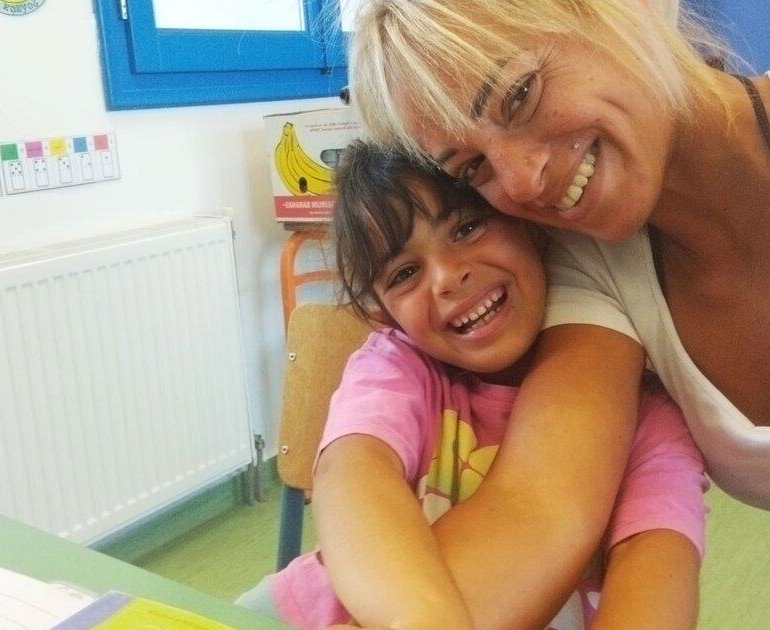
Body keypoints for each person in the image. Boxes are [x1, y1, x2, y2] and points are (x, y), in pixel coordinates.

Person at [345, 0, 770, 628]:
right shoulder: (590, 260)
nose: (523, 181)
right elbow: (540, 506)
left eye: (520, 95)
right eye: (474, 168)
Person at [236, 140, 708, 629]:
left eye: (466, 228)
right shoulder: (399, 367)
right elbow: (353, 472)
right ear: (385, 314)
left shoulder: (644, 414)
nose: (446, 277)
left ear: (534, 227)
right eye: (405, 273)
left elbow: (655, 563)